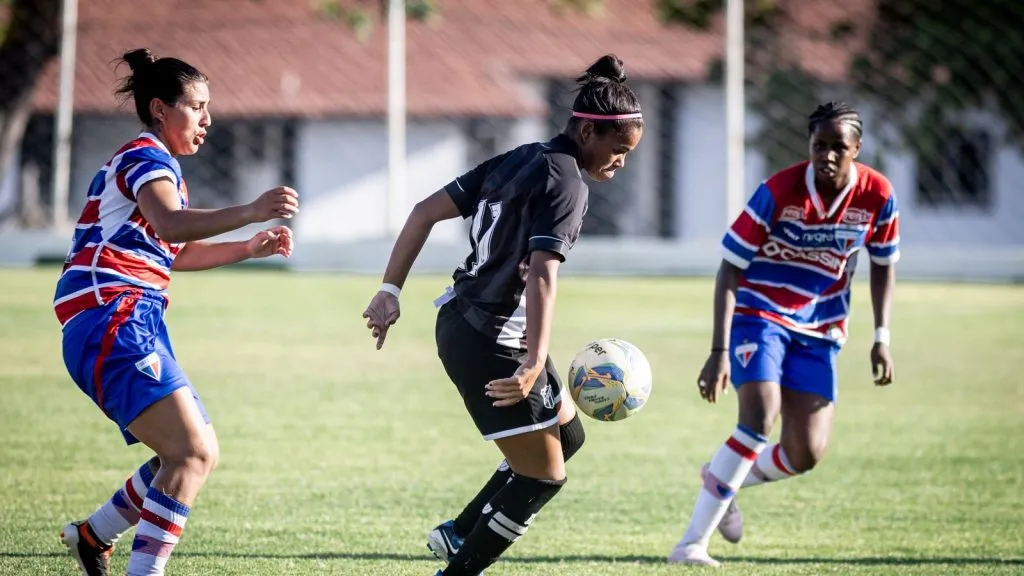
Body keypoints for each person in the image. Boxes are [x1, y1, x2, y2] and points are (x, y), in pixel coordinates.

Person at [362, 54, 643, 576]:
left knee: (568, 437)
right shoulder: (569, 184)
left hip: (468, 320)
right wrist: (534, 361)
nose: (622, 161)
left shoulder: (523, 157)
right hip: (491, 338)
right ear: (586, 131)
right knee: (542, 476)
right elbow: (541, 274)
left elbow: (423, 211)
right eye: (618, 149)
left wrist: (389, 290)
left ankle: (460, 532)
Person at [55, 48, 299, 576]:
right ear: (162, 109)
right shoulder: (147, 155)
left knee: (188, 453)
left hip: (127, 317)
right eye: (198, 106)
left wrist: (246, 247)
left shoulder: (160, 168)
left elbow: (176, 250)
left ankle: (93, 536)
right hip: (111, 315)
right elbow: (171, 224)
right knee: (192, 454)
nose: (208, 120)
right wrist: (253, 208)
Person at [667, 101, 900, 567]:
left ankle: (721, 478)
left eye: (839, 147)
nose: (828, 155)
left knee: (806, 452)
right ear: (809, 145)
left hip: (821, 327)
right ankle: (691, 545)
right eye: (820, 145)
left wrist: (881, 335)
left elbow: (883, 264)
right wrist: (719, 352)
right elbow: (729, 269)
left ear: (857, 149)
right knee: (759, 418)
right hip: (759, 313)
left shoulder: (878, 194)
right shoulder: (778, 190)